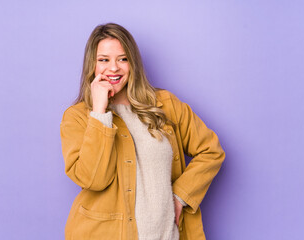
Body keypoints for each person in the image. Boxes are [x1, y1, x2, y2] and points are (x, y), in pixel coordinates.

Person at [60, 23, 225, 240]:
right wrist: (99, 113)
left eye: (123, 58)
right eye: (104, 60)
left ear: (133, 63)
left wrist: (180, 196)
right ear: (92, 64)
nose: (113, 68)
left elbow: (211, 151)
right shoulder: (78, 117)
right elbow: (94, 180)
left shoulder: (166, 104)